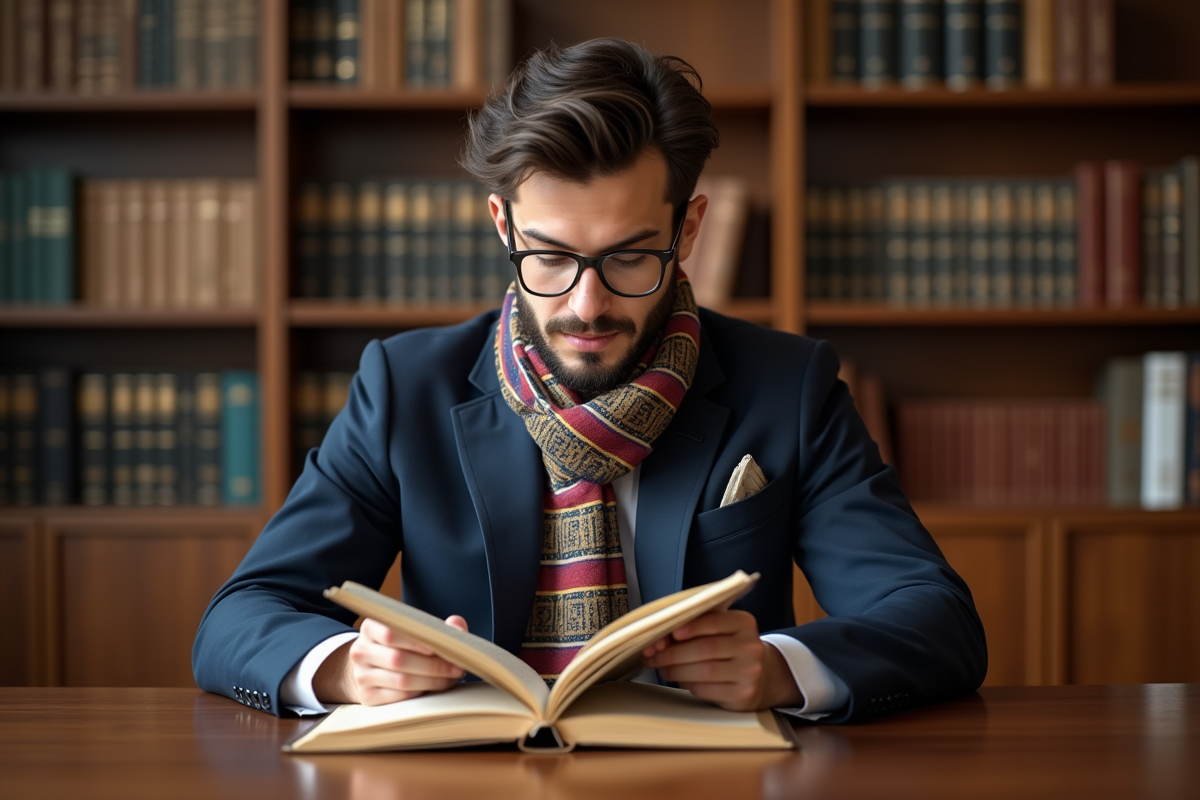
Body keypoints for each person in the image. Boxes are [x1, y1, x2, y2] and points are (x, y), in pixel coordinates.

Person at [192, 38, 986, 723]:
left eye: (630, 256)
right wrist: (342, 669)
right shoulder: (404, 387)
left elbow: (938, 619)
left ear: (690, 229)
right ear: (504, 226)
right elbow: (241, 616)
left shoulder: (789, 387)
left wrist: (781, 668)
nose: (587, 303)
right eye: (551, 257)